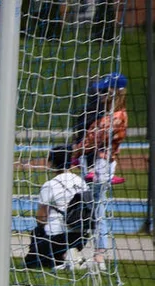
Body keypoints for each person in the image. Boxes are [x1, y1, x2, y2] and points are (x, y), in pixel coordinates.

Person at [72, 72, 127, 271]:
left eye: (104, 92)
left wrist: (76, 151)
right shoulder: (102, 114)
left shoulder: (116, 117)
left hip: (101, 167)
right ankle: (86, 253)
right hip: (93, 162)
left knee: (96, 209)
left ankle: (98, 256)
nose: (100, 95)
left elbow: (93, 140)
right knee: (90, 208)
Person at [24, 145, 88, 270]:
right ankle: (69, 255)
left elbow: (41, 218)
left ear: (52, 162)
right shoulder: (81, 182)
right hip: (80, 236)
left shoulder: (51, 185)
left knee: (31, 261)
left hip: (57, 236)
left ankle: (63, 256)